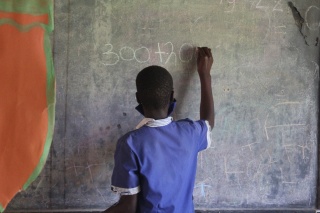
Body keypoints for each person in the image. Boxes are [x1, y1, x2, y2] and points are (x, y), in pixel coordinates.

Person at [103, 47, 214, 213]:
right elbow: (208, 122)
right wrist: (204, 74)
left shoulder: (130, 143)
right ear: (171, 96)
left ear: (138, 98)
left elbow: (128, 207)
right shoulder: (191, 132)